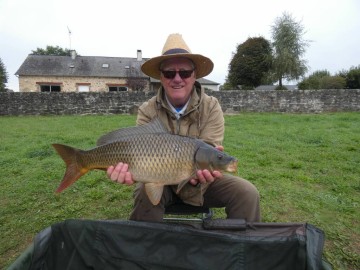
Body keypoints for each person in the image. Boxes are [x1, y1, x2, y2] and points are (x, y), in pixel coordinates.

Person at [107, 33, 260, 222]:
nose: (177, 79)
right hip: (160, 183)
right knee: (144, 193)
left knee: (247, 193)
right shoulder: (147, 110)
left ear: (194, 75)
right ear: (161, 78)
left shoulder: (211, 106)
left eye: (185, 73)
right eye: (170, 73)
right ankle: (145, 248)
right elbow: (137, 154)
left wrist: (200, 172)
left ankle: (241, 247)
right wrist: (126, 171)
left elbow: (208, 150)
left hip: (201, 184)